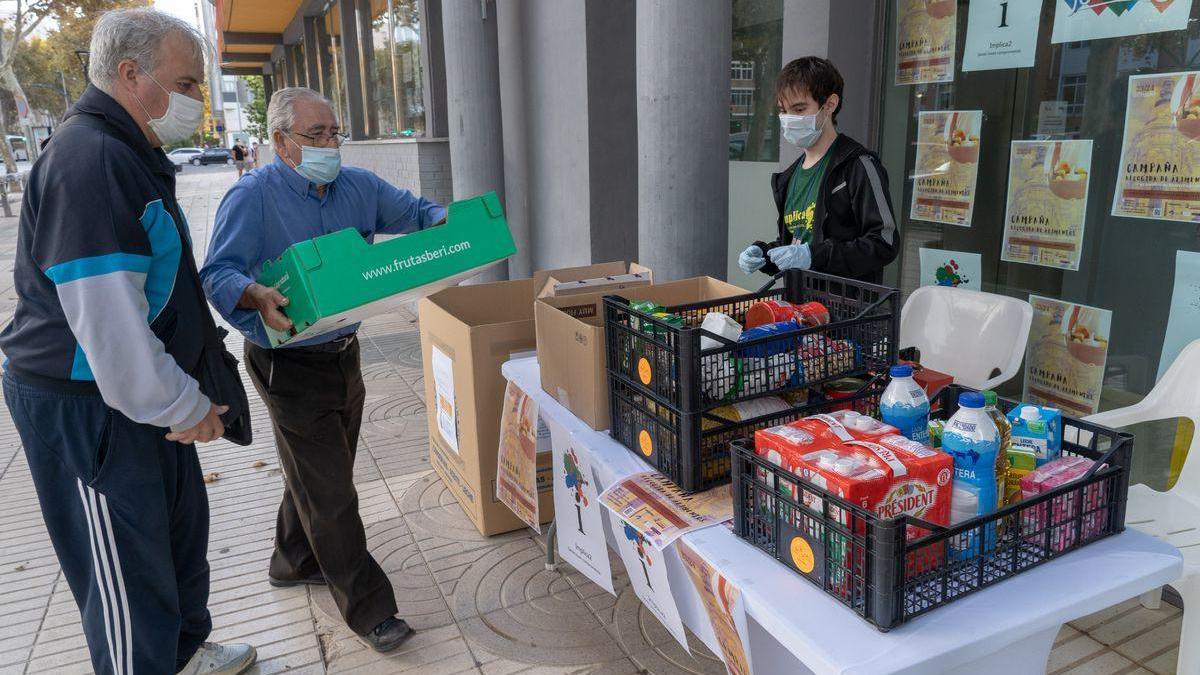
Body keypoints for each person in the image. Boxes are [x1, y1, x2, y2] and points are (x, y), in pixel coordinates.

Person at [0, 9, 256, 675]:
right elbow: (109, 327)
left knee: (174, 534)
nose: (197, 99)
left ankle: (184, 651)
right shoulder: (91, 161)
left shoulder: (127, 152)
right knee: (124, 569)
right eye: (188, 82)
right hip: (88, 404)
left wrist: (181, 392)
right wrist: (180, 404)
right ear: (130, 74)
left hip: (135, 391)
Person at [200, 87, 446, 653]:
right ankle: (370, 610)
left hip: (343, 353)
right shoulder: (252, 198)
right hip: (286, 362)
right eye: (317, 136)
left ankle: (292, 561)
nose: (330, 145)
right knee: (332, 490)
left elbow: (414, 213)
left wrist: (447, 226)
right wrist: (253, 293)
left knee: (320, 474)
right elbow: (217, 272)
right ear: (281, 142)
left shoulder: (357, 187)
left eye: (335, 133)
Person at [738, 56, 898, 284]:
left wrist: (814, 256)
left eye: (799, 109)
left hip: (847, 310)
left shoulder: (858, 165)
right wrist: (766, 255)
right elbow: (797, 243)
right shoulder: (789, 177)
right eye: (783, 111)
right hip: (799, 307)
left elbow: (884, 243)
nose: (789, 119)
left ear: (830, 105)